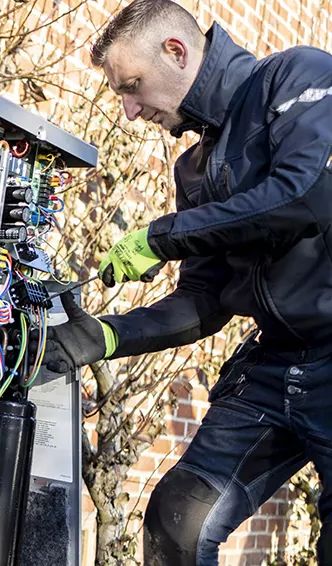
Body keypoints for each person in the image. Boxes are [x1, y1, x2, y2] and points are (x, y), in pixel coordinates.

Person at [41, 0, 332, 563]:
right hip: (275, 365)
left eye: (132, 85)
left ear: (176, 52)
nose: (129, 110)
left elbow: (306, 196)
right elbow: (204, 302)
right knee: (178, 522)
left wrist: (164, 235)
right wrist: (107, 336)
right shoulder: (194, 169)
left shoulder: (297, 76)